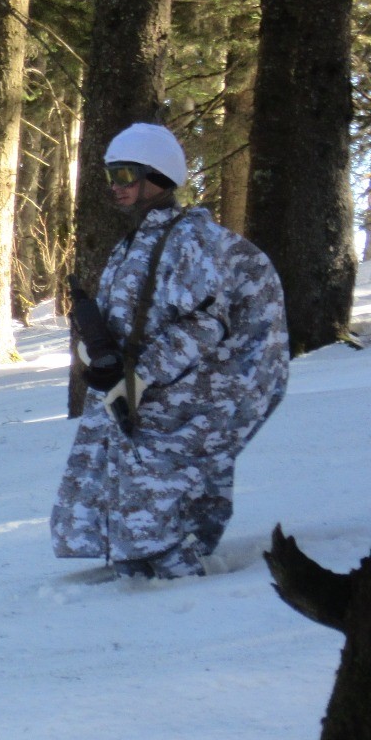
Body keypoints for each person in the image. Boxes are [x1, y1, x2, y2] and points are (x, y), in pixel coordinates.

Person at [52, 122, 289, 579]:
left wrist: (140, 376)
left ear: (156, 175)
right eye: (110, 175)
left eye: (125, 174)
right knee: (132, 507)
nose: (115, 186)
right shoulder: (135, 243)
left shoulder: (188, 239)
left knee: (156, 506)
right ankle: (141, 582)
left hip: (177, 403)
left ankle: (181, 595)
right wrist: (97, 360)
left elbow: (203, 323)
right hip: (135, 400)